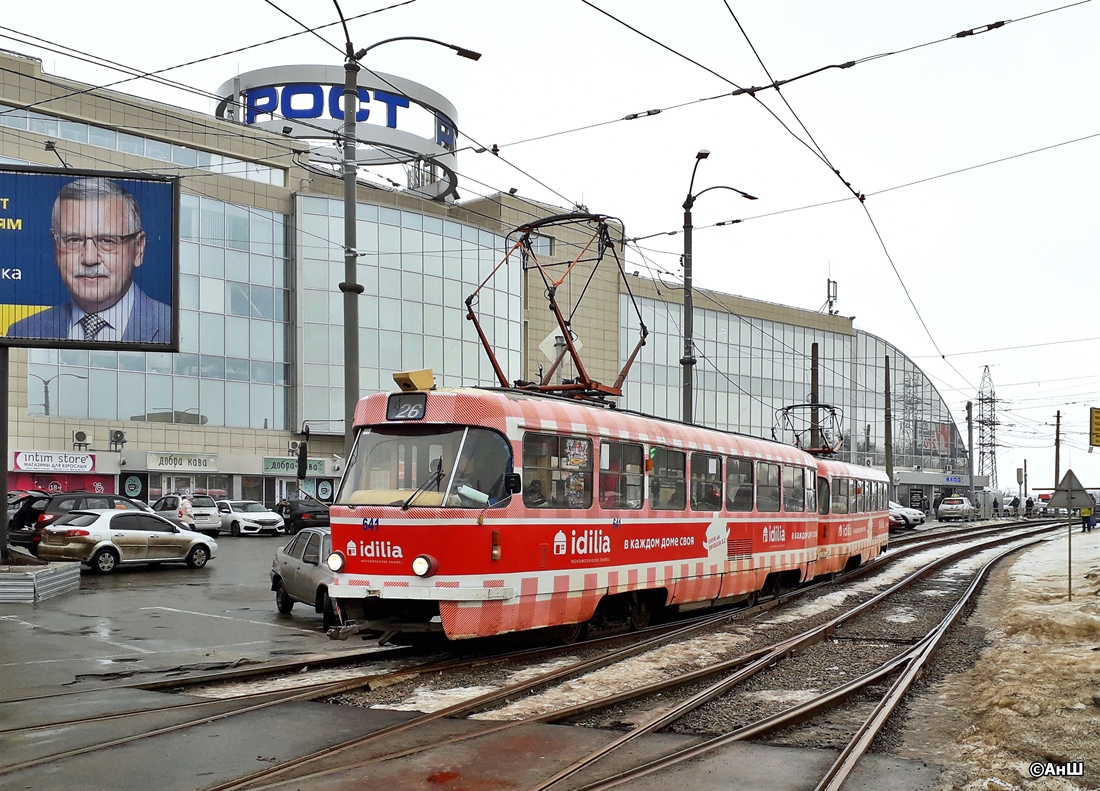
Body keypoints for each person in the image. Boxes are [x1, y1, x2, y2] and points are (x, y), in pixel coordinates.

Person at [5, 177, 170, 343]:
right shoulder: (23, 331)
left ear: (138, 249)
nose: (90, 259)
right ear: (55, 247)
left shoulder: (172, 327)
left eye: (107, 241)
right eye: (73, 240)